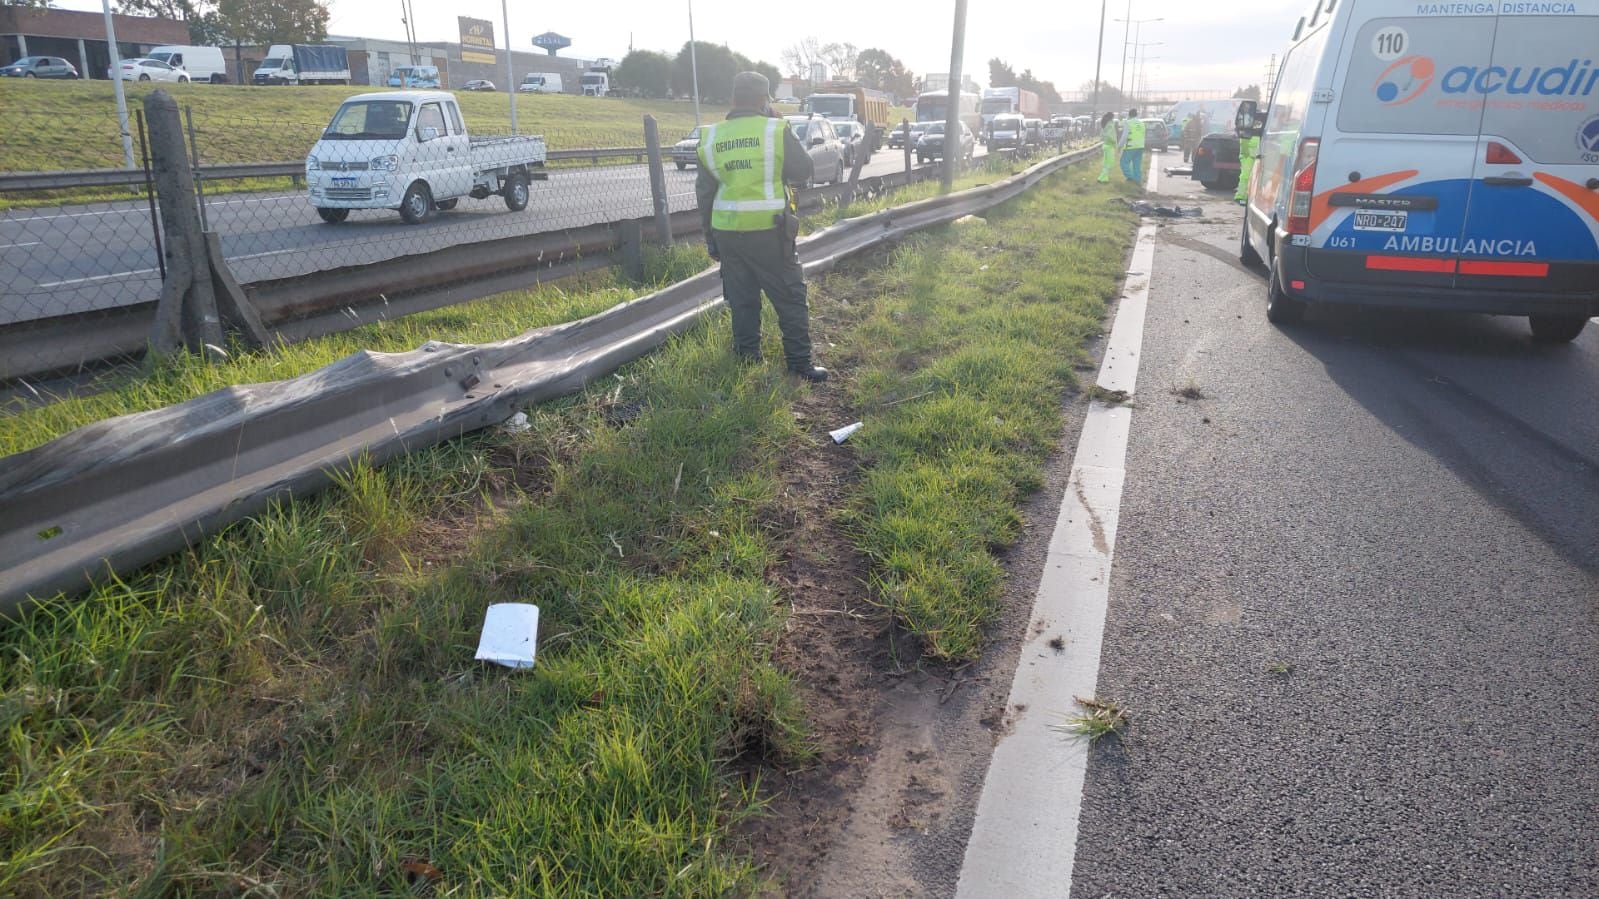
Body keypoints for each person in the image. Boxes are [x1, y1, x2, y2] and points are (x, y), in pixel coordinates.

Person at [695, 71, 827, 382]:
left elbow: (705, 193)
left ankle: (747, 359)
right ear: (763, 101)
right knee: (790, 297)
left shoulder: (712, 136)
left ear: (733, 99)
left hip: (728, 232)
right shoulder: (775, 129)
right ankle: (799, 364)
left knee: (741, 298)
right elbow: (804, 170)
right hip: (769, 232)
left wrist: (710, 238)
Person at [1235, 108, 1264, 205]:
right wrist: (1248, 155)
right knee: (1246, 176)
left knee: (1250, 176)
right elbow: (1244, 145)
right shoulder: (1249, 130)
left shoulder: (1255, 129)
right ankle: (1242, 196)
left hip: (1253, 157)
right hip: (1248, 157)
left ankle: (1246, 196)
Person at [1119, 107, 1146, 184]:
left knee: (1123, 162)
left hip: (1130, 146)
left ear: (1129, 115)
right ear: (1136, 115)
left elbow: (1124, 136)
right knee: (1137, 164)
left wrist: (1119, 146)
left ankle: (1130, 177)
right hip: (1140, 146)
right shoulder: (1142, 123)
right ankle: (1137, 180)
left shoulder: (1128, 122)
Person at [1097, 111, 1117, 183]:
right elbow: (1109, 135)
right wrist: (1114, 141)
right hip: (1110, 145)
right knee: (1109, 164)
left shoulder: (1104, 124)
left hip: (1105, 145)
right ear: (1112, 117)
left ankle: (1105, 179)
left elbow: (1101, 135)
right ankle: (1101, 178)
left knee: (1106, 163)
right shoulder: (1110, 124)